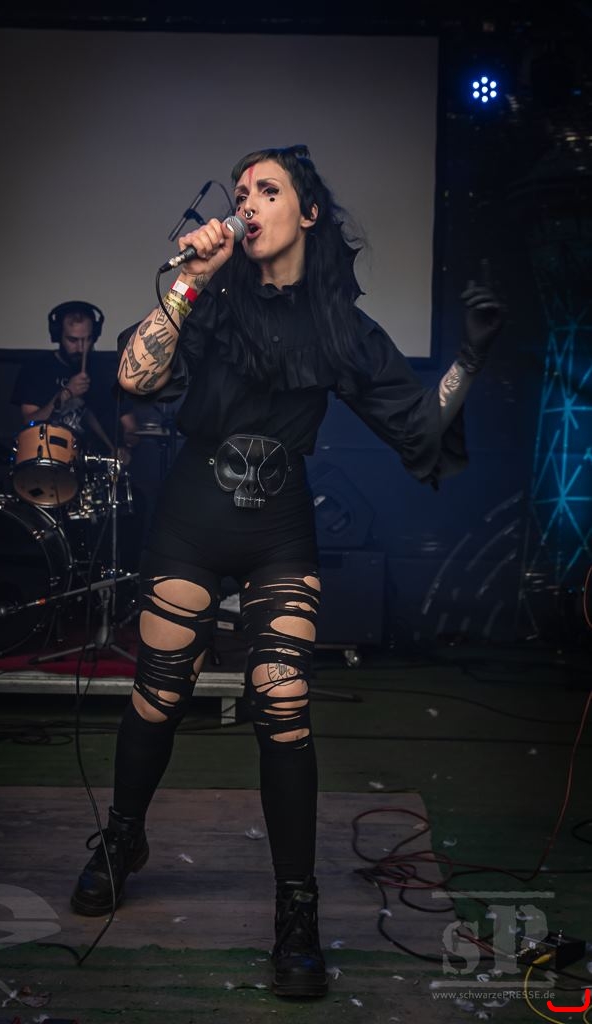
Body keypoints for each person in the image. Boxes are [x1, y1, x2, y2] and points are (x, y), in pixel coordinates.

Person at [70, 145, 504, 998]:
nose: (247, 202)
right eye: (240, 191)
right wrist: (192, 278)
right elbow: (133, 375)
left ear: (307, 213)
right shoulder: (210, 297)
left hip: (278, 527)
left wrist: (471, 356)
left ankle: (296, 910)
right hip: (191, 518)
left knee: (283, 704)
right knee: (158, 693)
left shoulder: (339, 325)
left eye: (267, 190)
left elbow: (417, 426)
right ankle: (122, 837)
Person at [10, 299, 139, 467]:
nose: (81, 348)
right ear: (58, 336)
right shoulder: (37, 369)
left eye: (87, 339)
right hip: (50, 462)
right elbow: (30, 422)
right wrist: (66, 393)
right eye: (72, 340)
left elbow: (131, 427)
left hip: (97, 466)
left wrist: (126, 448)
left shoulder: (108, 372)